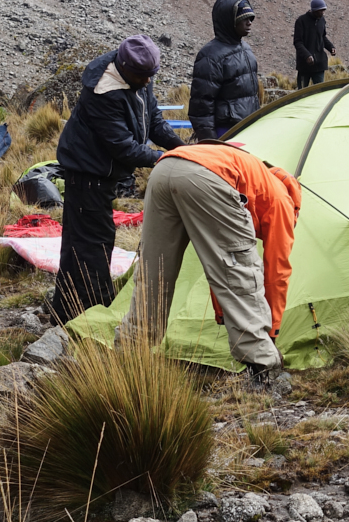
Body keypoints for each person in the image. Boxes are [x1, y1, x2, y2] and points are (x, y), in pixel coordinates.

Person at [118, 143, 301, 384]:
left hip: (164, 170)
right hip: (206, 177)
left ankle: (130, 351)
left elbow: (218, 263)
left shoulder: (256, 176)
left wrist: (222, 313)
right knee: (243, 270)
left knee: (155, 271)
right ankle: (264, 366)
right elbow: (276, 273)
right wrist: (272, 332)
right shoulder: (282, 201)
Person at [51, 35, 184, 323]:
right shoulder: (104, 91)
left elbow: (155, 121)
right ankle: (96, 313)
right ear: (126, 68)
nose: (148, 82)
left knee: (78, 240)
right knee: (94, 244)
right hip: (87, 173)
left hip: (99, 172)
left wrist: (182, 148)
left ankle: (64, 311)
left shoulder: (138, 77)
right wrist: (163, 159)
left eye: (152, 76)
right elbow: (122, 147)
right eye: (143, 76)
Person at [190, 0, 261, 140]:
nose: (249, 22)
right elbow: (201, 108)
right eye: (244, 18)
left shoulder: (246, 50)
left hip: (247, 130)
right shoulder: (210, 56)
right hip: (225, 133)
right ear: (229, 21)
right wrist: (210, 143)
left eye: (251, 18)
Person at [293, 0, 337, 89]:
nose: (322, 13)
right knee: (301, 93)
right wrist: (307, 56)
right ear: (314, 10)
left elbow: (322, 37)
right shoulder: (301, 21)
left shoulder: (322, 20)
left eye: (323, 10)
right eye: (320, 11)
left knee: (320, 91)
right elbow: (297, 42)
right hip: (304, 65)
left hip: (319, 65)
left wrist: (331, 47)